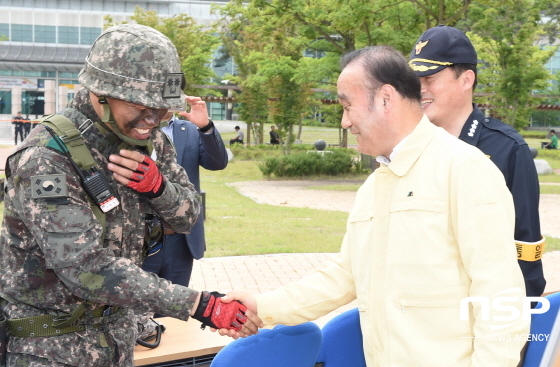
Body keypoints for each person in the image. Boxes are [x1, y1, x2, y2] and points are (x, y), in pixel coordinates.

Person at [218, 46, 529, 366]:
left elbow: (500, 296)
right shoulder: (374, 186)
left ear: (385, 98)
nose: (344, 122)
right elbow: (344, 276)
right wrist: (261, 305)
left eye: (347, 106)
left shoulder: (463, 169)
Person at [0, 24, 258, 367]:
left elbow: (189, 216)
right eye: (143, 106)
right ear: (101, 93)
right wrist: (198, 305)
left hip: (118, 341)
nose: (153, 120)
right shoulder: (47, 158)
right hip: (51, 349)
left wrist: (159, 189)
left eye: (163, 110)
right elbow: (86, 267)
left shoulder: (150, 142)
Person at [408, 25, 546, 299]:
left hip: (482, 309)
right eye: (415, 79)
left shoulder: (507, 148)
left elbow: (525, 246)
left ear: (466, 79)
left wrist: (514, 323)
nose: (420, 89)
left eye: (430, 78)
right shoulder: (409, 145)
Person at [142, 112, 228, 288]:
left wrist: (205, 126)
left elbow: (217, 162)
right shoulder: (133, 127)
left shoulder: (189, 129)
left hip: (180, 241)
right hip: (139, 239)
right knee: (136, 311)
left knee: (173, 311)